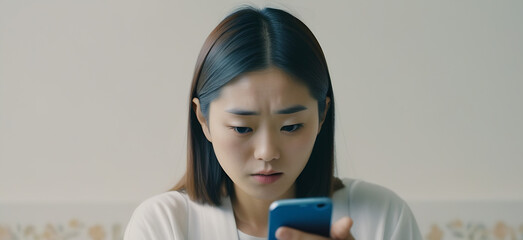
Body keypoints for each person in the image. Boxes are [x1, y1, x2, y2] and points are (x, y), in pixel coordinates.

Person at [124, 6, 422, 240]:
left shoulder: (383, 216)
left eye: (291, 126)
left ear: (321, 116)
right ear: (203, 119)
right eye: (242, 128)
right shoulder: (163, 225)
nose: (267, 152)